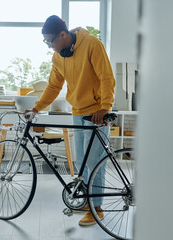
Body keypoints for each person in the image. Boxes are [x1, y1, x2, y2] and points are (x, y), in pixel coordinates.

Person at [24, 15, 116, 226]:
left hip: (97, 113)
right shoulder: (58, 57)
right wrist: (37, 107)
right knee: (81, 162)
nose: (50, 47)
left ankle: (97, 209)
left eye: (51, 41)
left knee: (95, 162)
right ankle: (88, 202)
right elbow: (54, 87)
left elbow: (106, 77)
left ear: (63, 34)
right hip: (77, 111)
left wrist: (105, 107)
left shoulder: (92, 44)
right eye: (46, 42)